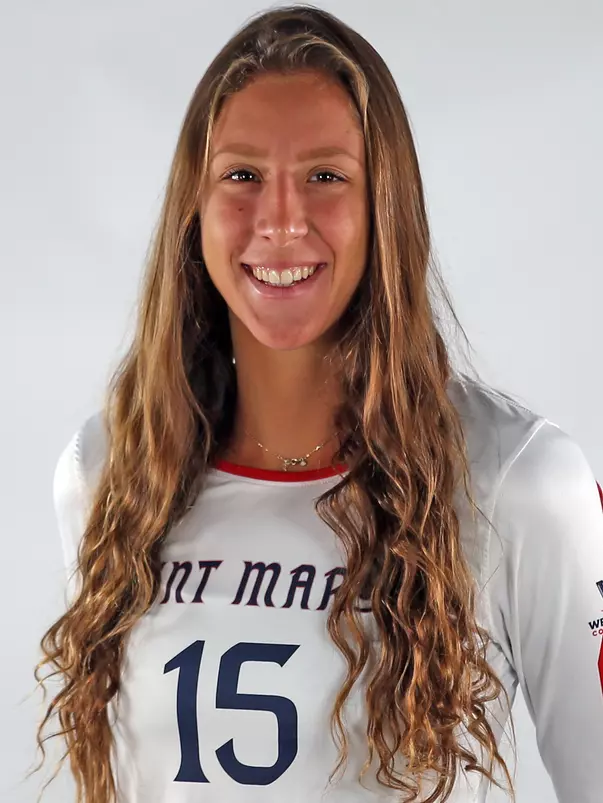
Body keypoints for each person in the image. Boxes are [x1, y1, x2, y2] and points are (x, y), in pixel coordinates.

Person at [34, 5, 603, 803]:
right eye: (241, 176)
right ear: (191, 210)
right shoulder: (110, 471)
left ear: (385, 209)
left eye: (325, 177)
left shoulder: (520, 480)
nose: (280, 221)